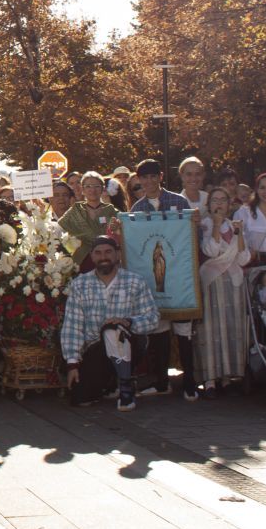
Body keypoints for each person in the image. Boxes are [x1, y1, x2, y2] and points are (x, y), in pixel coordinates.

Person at [61, 237, 158, 411]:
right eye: (98, 253)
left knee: (112, 329)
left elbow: (152, 319)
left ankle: (126, 389)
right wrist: (73, 363)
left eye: (108, 252)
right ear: (91, 257)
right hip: (96, 349)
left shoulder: (135, 281)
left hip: (130, 344)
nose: (103, 257)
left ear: (118, 255)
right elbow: (72, 326)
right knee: (80, 398)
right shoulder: (79, 285)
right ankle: (111, 382)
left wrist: (128, 322)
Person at [130, 158, 195, 399]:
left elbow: (189, 235)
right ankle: (161, 381)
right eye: (143, 178)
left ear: (160, 177)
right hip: (154, 273)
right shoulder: (137, 208)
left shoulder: (179, 202)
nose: (148, 182)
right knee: (159, 330)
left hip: (179, 275)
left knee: (184, 330)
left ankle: (189, 380)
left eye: (152, 176)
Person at [195, 187, 250, 396]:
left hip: (233, 283)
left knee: (231, 327)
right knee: (211, 329)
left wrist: (240, 234)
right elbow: (210, 251)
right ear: (209, 205)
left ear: (229, 204)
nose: (219, 204)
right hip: (212, 282)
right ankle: (210, 378)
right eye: (215, 200)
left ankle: (228, 375)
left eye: (223, 200)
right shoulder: (205, 225)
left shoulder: (234, 225)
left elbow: (244, 258)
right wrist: (217, 226)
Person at [59, 172, 117, 273]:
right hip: (82, 259)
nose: (92, 190)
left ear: (103, 188)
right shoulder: (76, 209)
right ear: (82, 189)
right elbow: (60, 228)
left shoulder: (110, 210)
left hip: (106, 260)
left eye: (97, 186)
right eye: (88, 186)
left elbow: (123, 230)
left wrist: (116, 228)